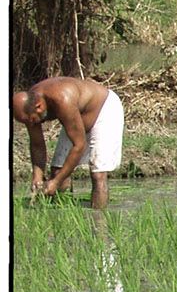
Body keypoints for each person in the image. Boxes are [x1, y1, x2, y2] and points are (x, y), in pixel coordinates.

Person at [12, 77, 124, 210]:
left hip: (104, 110)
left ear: (39, 106)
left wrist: (55, 182)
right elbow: (37, 144)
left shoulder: (62, 99)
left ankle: (99, 223)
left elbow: (79, 145)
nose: (31, 124)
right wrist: (37, 176)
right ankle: (63, 217)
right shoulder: (30, 107)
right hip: (78, 116)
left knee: (97, 173)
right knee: (58, 170)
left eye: (31, 120)